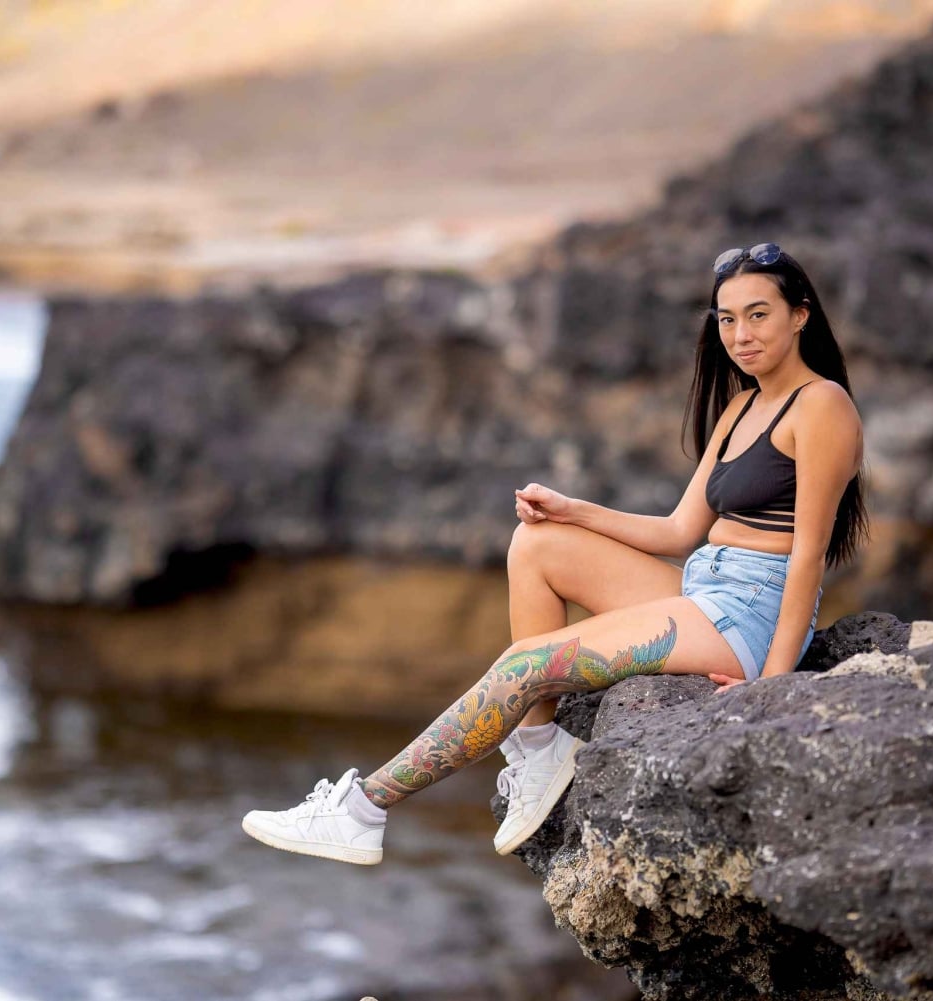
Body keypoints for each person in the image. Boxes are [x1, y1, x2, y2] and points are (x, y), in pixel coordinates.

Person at [240, 242, 868, 865]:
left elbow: (809, 556)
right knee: (537, 542)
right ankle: (541, 751)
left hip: (751, 614)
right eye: (727, 319)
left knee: (525, 665)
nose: (740, 335)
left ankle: (362, 810)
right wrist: (572, 511)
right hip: (707, 587)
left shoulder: (822, 406)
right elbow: (680, 531)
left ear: (800, 315)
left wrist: (771, 687)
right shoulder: (741, 406)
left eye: (758, 315)